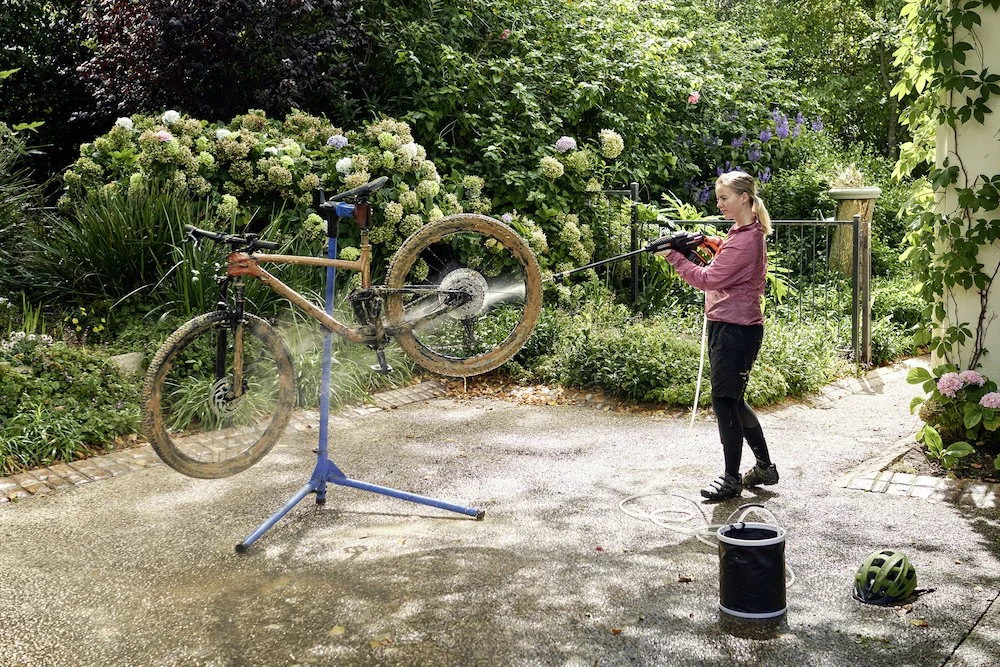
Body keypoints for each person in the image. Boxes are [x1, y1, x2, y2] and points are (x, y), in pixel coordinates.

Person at [657, 170, 778, 500]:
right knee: (733, 399)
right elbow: (724, 261)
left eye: (724, 198)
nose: (719, 204)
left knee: (725, 402)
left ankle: (730, 479)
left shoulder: (748, 240)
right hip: (728, 326)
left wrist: (673, 256)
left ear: (744, 198)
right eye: (718, 199)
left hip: (737, 331)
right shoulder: (740, 232)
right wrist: (704, 245)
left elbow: (708, 280)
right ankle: (765, 468)